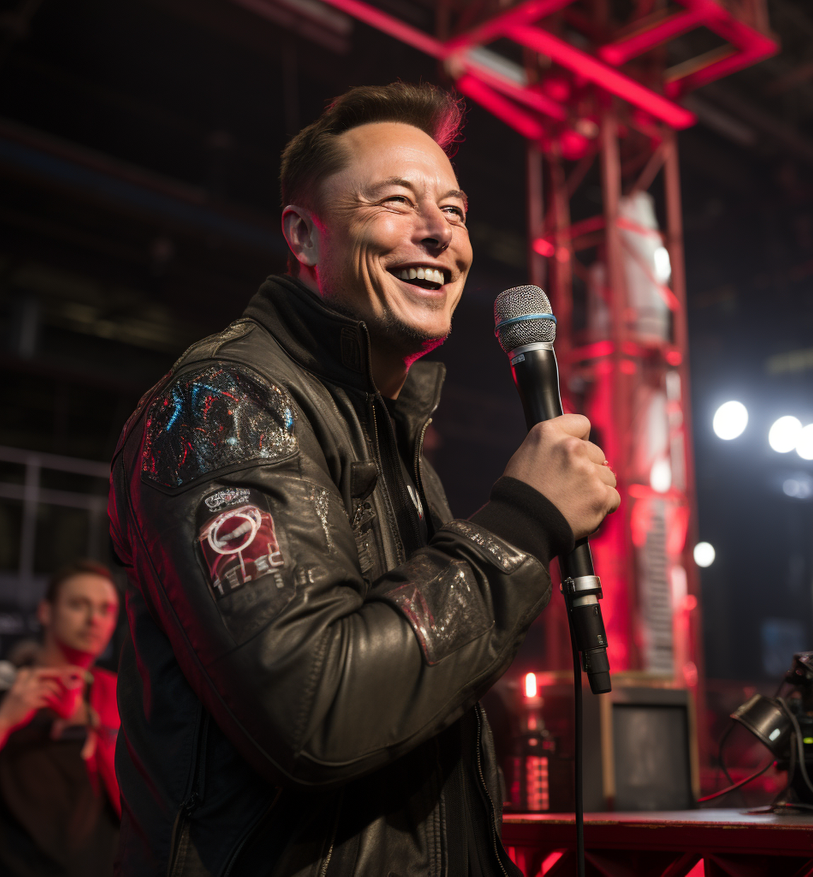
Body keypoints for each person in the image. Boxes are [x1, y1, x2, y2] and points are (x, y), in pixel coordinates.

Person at [108, 81, 619, 876]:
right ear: (303, 236)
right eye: (396, 202)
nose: (437, 232)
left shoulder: (394, 442)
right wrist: (520, 525)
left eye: (453, 211)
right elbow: (314, 707)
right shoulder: (223, 405)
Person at [0, 559, 121, 877]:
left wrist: (94, 724)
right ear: (45, 611)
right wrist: (6, 719)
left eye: (106, 609)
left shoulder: (119, 697)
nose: (94, 619)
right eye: (78, 605)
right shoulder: (8, 686)